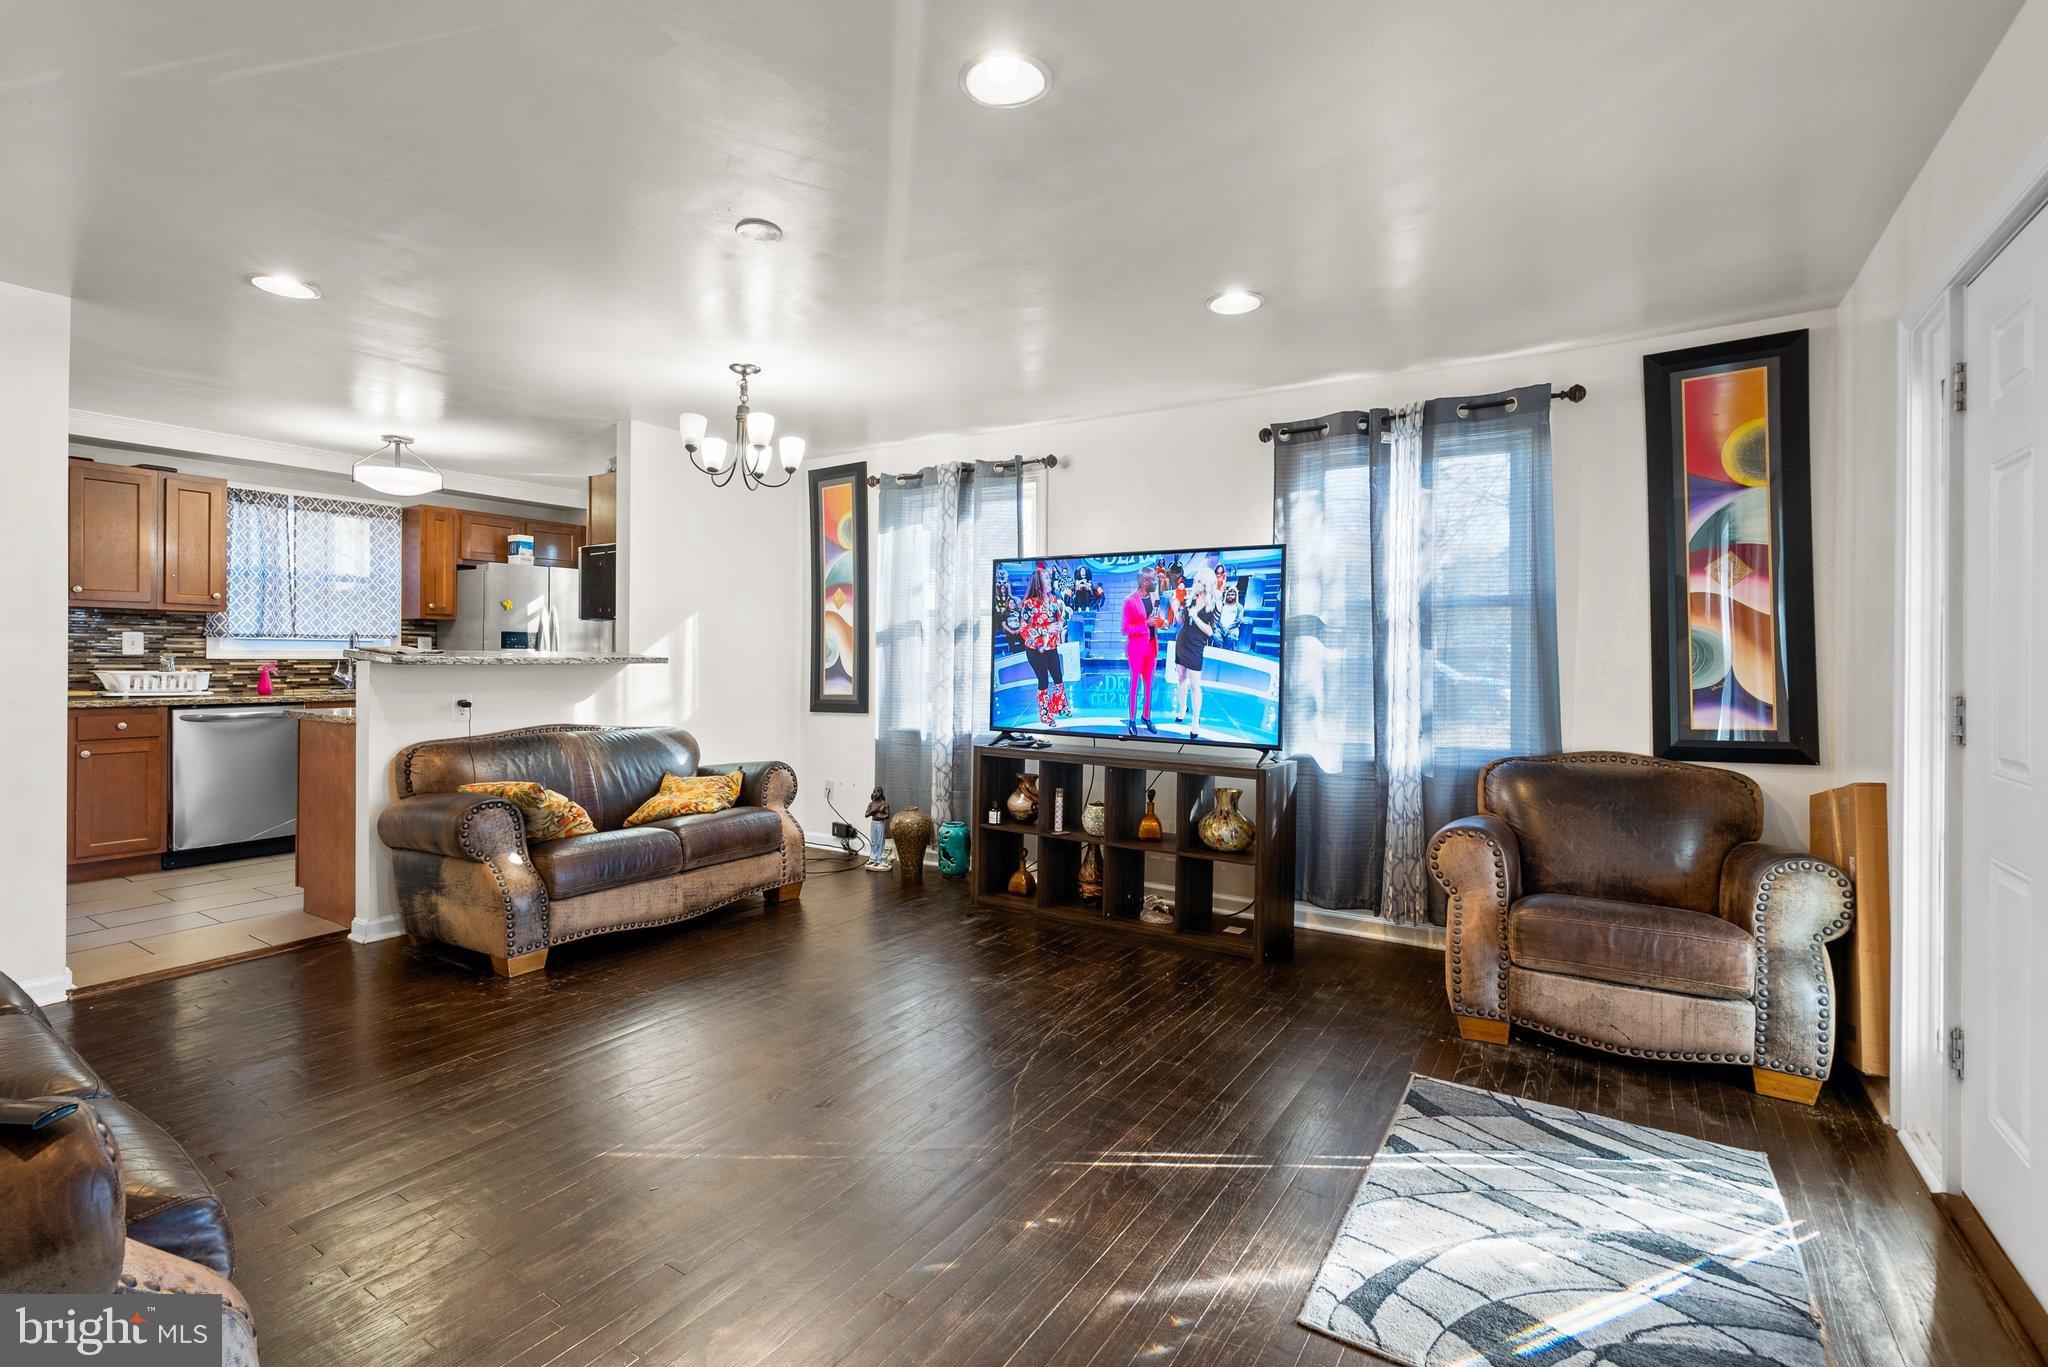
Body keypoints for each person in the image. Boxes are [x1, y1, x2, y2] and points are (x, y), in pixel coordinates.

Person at [1019, 563, 1071, 726]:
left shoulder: (1054, 599)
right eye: (1047, 578)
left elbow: (1059, 618)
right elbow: (1024, 630)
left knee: (1058, 678)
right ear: (1039, 582)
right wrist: (1046, 628)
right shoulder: (1029, 604)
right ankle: (1045, 714)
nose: (1050, 580)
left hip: (1052, 647)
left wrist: (1060, 624)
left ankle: (1060, 706)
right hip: (1036, 650)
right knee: (1043, 681)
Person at [1121, 568, 1170, 734]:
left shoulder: (1155, 596)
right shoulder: (1129, 601)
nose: (1156, 583)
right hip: (1136, 649)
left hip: (1152, 647)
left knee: (1149, 685)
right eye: (1154, 581)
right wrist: (1145, 624)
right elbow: (1125, 628)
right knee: (1134, 685)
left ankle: (1146, 717)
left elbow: (1155, 619)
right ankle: (1132, 719)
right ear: (1144, 582)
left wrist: (1162, 623)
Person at [1173, 574, 1220, 739]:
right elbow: (1181, 621)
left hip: (1196, 647)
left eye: (1201, 581)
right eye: (1197, 581)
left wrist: (1194, 616)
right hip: (1182, 642)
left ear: (1208, 585)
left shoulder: (1214, 605)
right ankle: (1182, 708)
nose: (1197, 584)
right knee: (1180, 677)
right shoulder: (1189, 599)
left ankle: (1195, 721)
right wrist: (1175, 609)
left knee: (1195, 685)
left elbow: (1210, 631)